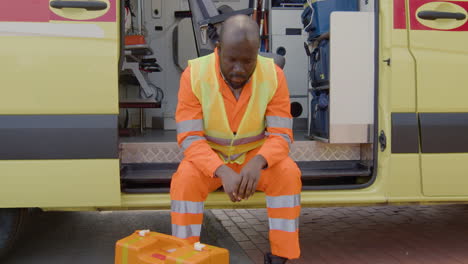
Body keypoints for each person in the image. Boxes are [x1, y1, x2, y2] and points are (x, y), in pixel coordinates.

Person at [171, 14, 302, 263]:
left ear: (258, 54)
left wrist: (258, 162)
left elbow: (281, 135)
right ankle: (185, 255)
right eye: (231, 60)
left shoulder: (274, 75)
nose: (239, 69)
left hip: (254, 159)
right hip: (210, 160)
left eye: (248, 61)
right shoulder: (194, 75)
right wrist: (221, 170)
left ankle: (281, 256)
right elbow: (190, 138)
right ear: (217, 50)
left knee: (288, 173)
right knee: (185, 180)